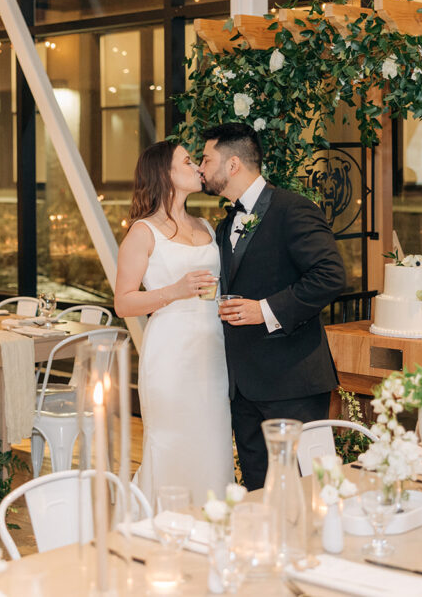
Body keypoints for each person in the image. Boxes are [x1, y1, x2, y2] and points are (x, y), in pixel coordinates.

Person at [199, 123, 346, 491]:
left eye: (206, 158)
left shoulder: (293, 209)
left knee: (306, 491)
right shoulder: (225, 223)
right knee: (258, 493)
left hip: (292, 382)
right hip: (244, 387)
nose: (201, 168)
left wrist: (263, 310)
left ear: (232, 164)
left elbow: (330, 276)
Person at [114, 140, 234, 506]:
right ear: (165, 174)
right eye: (187, 161)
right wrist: (176, 290)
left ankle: (211, 523)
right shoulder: (142, 232)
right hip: (170, 351)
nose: (197, 166)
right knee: (172, 439)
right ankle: (159, 525)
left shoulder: (206, 226)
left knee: (213, 439)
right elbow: (123, 302)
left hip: (212, 350)